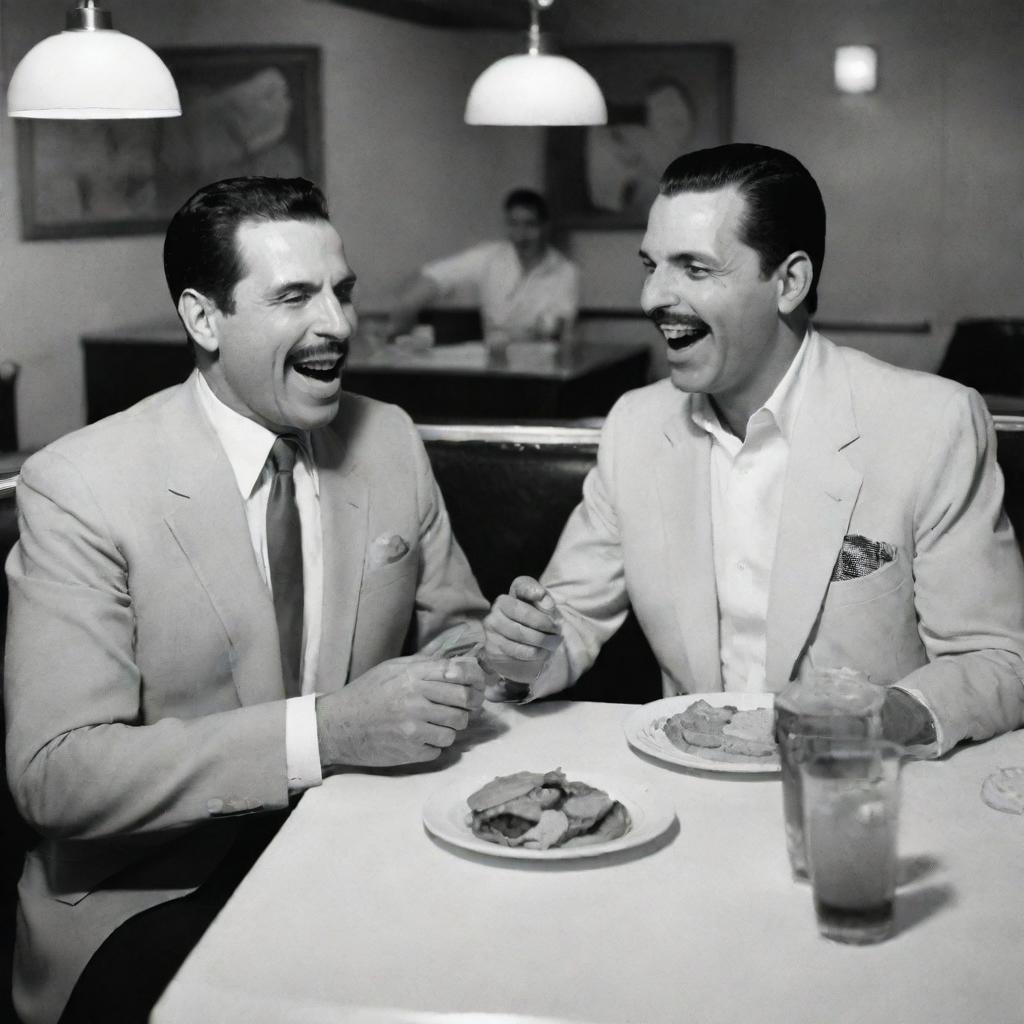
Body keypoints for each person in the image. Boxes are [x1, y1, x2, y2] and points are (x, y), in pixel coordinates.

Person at [4, 176, 489, 1024]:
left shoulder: (390, 440)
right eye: (295, 296)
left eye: (342, 292)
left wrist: (502, 660)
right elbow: (57, 776)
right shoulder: (80, 486)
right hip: (153, 899)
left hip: (367, 862)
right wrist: (326, 732)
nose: (337, 325)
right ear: (203, 319)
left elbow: (457, 641)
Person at [482, 143, 1024, 755]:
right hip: (691, 794)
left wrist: (867, 723)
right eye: (650, 265)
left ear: (789, 282)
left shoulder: (931, 422)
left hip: (864, 796)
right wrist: (521, 652)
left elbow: (999, 660)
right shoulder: (635, 425)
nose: (652, 297)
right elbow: (569, 621)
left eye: (693, 267)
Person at [387, 188, 580, 342]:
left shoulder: (565, 271)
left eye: (530, 225)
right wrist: (408, 305)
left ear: (545, 226)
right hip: (495, 367)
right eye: (513, 224)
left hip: (543, 370)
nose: (520, 235)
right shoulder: (490, 257)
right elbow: (437, 276)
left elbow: (557, 327)